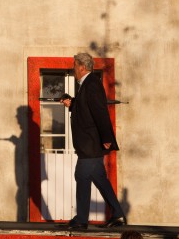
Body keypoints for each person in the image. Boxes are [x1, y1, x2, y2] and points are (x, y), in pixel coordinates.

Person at [59, 52, 126, 230]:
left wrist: (106, 139)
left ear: (82, 66)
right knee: (99, 178)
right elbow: (86, 109)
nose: (73, 69)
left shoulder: (92, 84)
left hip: (91, 143)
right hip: (89, 143)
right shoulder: (86, 84)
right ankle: (117, 214)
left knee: (81, 176)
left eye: (74, 65)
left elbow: (100, 112)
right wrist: (72, 104)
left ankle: (82, 219)